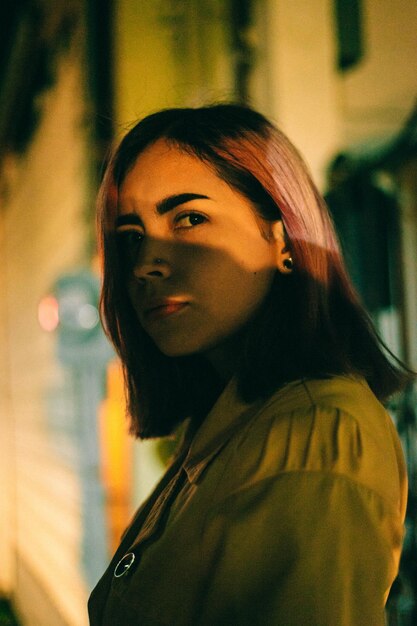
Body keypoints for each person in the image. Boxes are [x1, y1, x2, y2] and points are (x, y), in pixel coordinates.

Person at [88, 104, 410, 625]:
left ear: (281, 237)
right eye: (131, 236)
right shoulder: (227, 421)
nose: (145, 264)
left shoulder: (317, 435)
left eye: (189, 218)